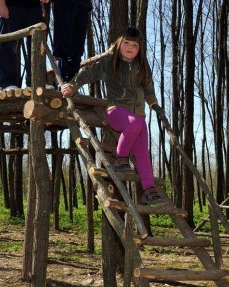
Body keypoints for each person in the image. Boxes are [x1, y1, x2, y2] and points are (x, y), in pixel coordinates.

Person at [60, 27, 163, 206]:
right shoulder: (110, 63)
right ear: (119, 44)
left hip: (138, 115)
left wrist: (154, 104)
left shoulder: (142, 66)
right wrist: (73, 85)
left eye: (134, 45)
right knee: (134, 124)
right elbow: (88, 73)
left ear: (139, 49)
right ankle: (121, 157)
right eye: (126, 43)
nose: (130, 47)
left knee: (142, 153)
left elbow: (148, 87)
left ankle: (149, 190)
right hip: (116, 111)